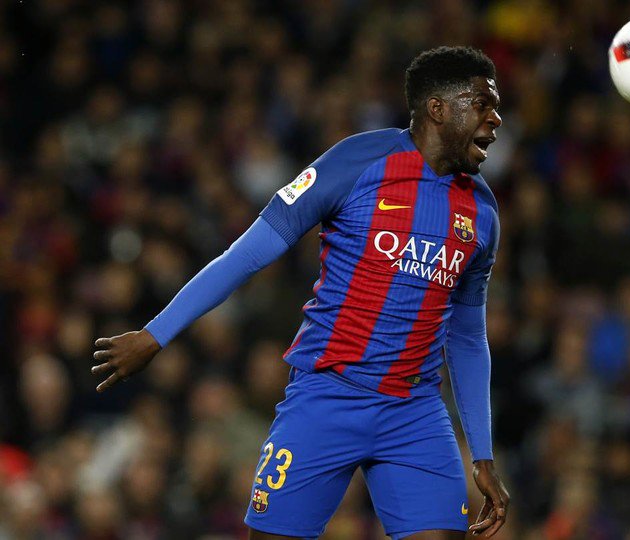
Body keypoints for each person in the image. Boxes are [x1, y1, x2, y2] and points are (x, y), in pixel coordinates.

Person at [91, 46, 510, 540]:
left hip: (414, 411)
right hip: (327, 396)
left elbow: (467, 336)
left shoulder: (482, 212)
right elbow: (246, 255)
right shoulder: (356, 163)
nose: (495, 120)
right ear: (438, 109)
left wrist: (482, 453)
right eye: (481, 105)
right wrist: (155, 335)